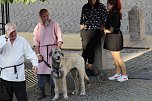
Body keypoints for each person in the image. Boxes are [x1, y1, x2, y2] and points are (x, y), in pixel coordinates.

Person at [0, 22, 38, 101]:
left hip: (19, 77)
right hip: (5, 77)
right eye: (11, 32)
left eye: (14, 31)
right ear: (6, 32)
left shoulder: (22, 40)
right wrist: (6, 38)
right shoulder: (2, 39)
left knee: (22, 98)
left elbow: (30, 53)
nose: (13, 34)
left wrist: (35, 64)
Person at [33, 9, 63, 100]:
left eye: (47, 16)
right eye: (44, 16)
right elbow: (36, 43)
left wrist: (57, 51)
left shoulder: (55, 24)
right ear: (40, 17)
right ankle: (41, 91)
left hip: (53, 51)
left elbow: (60, 39)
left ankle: (55, 90)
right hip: (42, 52)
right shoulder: (37, 27)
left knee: (53, 71)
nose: (46, 18)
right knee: (40, 71)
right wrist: (38, 54)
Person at [80, 0, 107, 76]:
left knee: (90, 45)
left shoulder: (101, 7)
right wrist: (82, 29)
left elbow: (105, 18)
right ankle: (82, 65)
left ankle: (90, 65)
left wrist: (103, 26)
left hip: (97, 30)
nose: (92, 1)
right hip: (87, 29)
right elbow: (82, 19)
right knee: (85, 47)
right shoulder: (85, 7)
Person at [104, 0, 128, 82]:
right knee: (114, 57)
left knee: (118, 57)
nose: (107, 6)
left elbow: (113, 27)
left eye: (108, 4)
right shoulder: (110, 13)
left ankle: (124, 75)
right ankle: (117, 73)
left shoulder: (115, 14)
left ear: (112, 5)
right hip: (111, 37)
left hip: (115, 37)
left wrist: (107, 31)